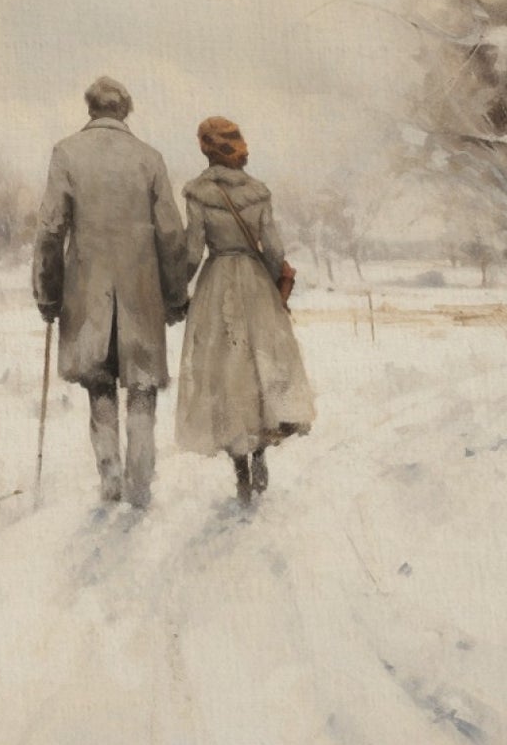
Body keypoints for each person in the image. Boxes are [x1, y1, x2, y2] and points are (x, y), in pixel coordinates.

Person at [32, 76, 190, 509]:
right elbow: (172, 235)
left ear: (90, 109)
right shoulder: (149, 158)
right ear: (125, 111)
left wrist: (47, 293)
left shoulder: (66, 153)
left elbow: (49, 230)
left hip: (86, 295)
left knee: (99, 386)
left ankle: (111, 478)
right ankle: (141, 483)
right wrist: (176, 296)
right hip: (142, 294)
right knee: (141, 387)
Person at [175, 115, 315, 503]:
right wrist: (273, 287)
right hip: (255, 284)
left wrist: (177, 288)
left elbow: (191, 251)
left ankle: (239, 468)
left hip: (217, 281)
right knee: (258, 370)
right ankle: (259, 455)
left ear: (204, 147)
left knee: (227, 374)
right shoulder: (258, 192)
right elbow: (274, 249)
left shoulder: (197, 193)